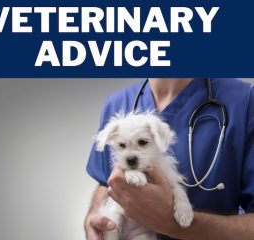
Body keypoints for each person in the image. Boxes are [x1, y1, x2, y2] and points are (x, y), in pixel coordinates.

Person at [84, 78, 254, 240]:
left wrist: (172, 224)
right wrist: (94, 218)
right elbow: (106, 182)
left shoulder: (244, 100)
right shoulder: (116, 104)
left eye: (142, 142)